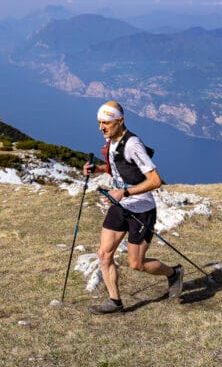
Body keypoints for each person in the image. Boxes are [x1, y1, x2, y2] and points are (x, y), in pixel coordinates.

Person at [83, 100, 183, 314]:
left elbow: (155, 180)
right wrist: (97, 169)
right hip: (120, 205)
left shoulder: (132, 144)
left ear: (120, 121)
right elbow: (119, 168)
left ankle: (173, 273)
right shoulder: (112, 141)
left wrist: (124, 192)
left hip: (142, 209)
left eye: (106, 123)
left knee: (136, 264)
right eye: (99, 123)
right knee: (104, 254)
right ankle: (115, 302)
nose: (101, 128)